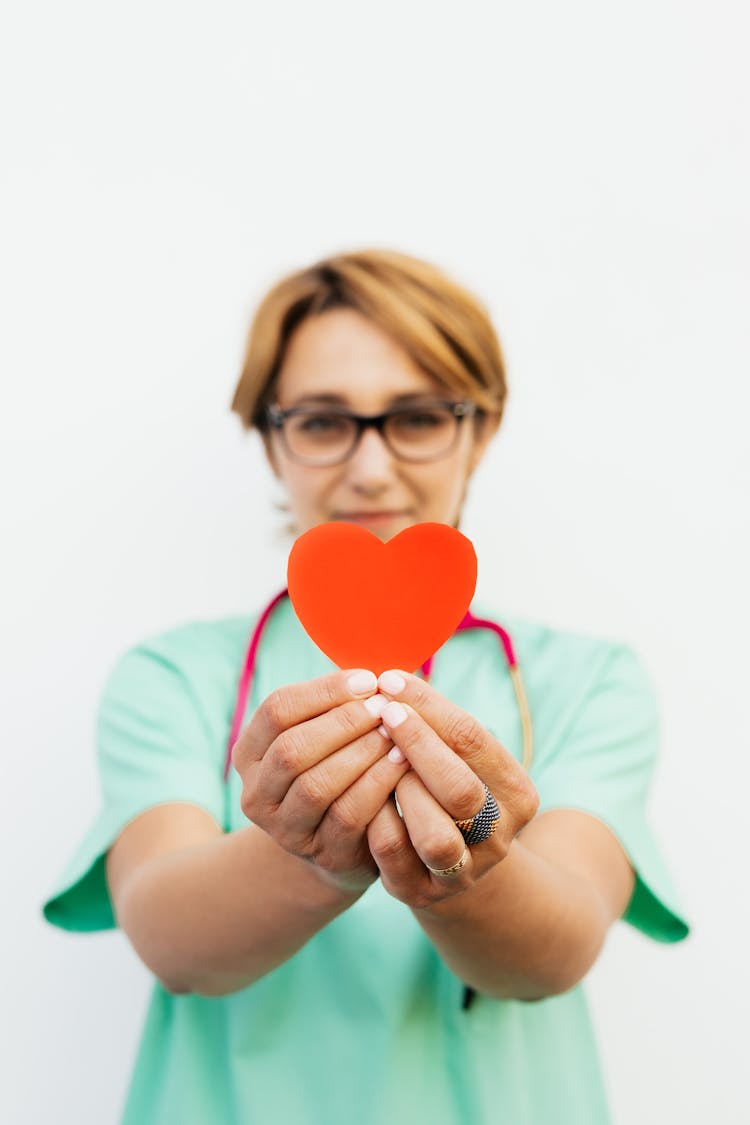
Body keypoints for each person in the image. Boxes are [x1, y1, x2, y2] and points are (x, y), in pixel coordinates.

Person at [42, 248, 690, 1124]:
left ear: (481, 430)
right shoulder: (173, 677)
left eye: (418, 416)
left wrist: (471, 869)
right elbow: (170, 939)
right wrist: (309, 856)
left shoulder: (586, 680)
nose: (372, 469)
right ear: (271, 439)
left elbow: (557, 950)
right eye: (319, 422)